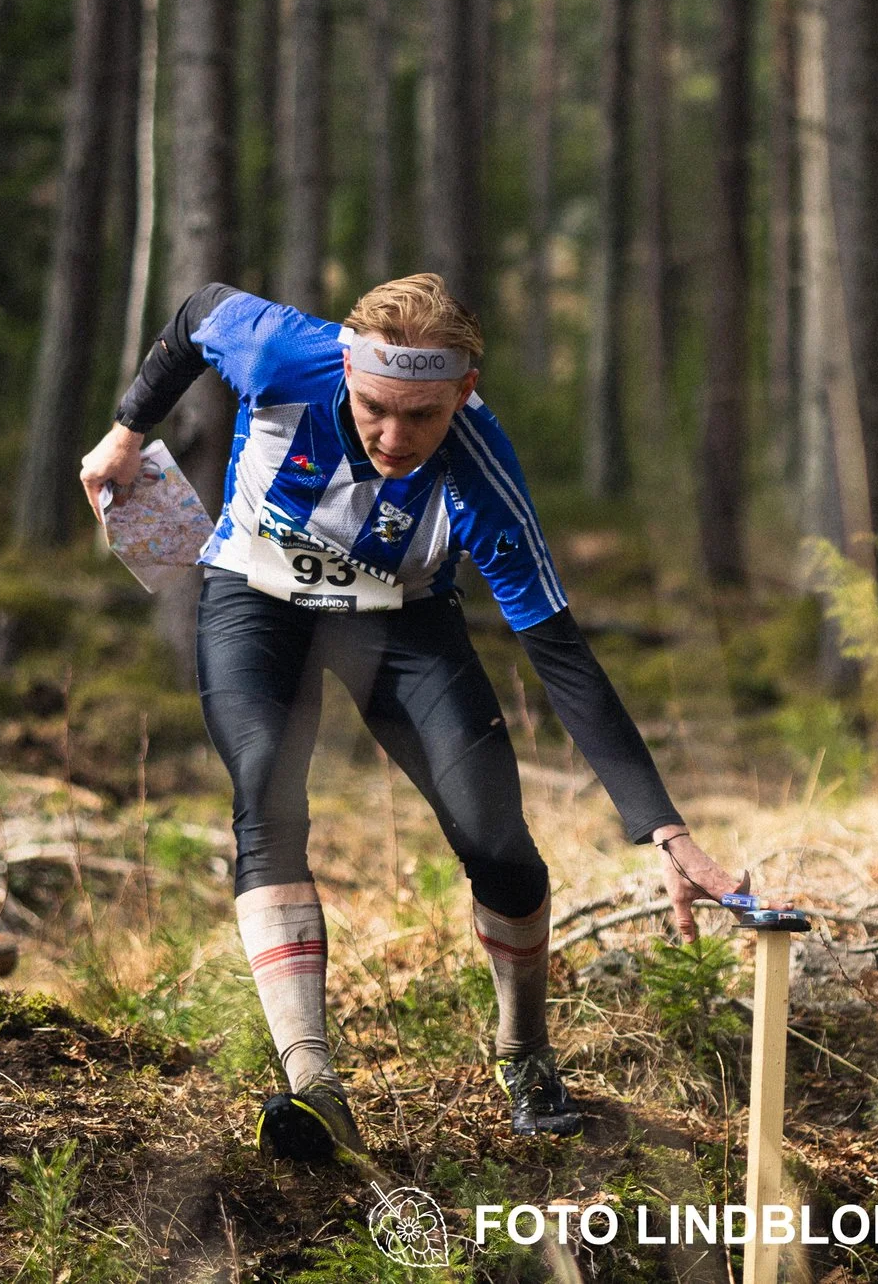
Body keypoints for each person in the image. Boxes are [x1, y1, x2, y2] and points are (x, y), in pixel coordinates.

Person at [80, 273, 758, 1163]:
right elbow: (197, 310)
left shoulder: (480, 459)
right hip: (256, 593)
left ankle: (524, 1050)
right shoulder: (279, 351)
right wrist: (128, 430)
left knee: (499, 843)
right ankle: (314, 1085)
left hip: (403, 615)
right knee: (266, 793)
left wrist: (663, 826)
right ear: (347, 370)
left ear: (464, 395)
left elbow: (558, 649)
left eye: (424, 416)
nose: (395, 436)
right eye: (373, 407)